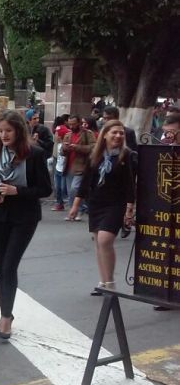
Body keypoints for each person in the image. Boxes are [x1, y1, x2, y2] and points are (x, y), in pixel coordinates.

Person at [0, 111, 53, 340]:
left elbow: (45, 189)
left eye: (8, 131)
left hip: (25, 216)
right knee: (0, 264)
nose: (4, 135)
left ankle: (6, 317)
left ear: (18, 131)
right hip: (1, 214)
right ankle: (5, 313)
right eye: (1, 131)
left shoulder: (34, 154)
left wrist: (18, 191)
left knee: (9, 266)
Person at [67, 120, 135, 295]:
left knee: (105, 240)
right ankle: (103, 281)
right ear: (105, 134)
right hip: (96, 203)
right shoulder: (95, 155)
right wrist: (75, 204)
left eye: (121, 133)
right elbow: (86, 181)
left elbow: (129, 184)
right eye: (114, 132)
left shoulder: (126, 155)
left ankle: (111, 283)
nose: (118, 136)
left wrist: (129, 209)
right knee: (99, 243)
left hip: (115, 204)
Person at [61, 114, 96, 218]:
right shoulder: (68, 134)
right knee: (69, 191)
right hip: (69, 166)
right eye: (70, 124)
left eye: (74, 124)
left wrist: (77, 147)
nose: (71, 126)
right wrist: (64, 148)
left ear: (79, 123)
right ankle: (72, 212)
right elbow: (62, 151)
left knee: (74, 189)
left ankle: (79, 210)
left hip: (81, 166)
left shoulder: (87, 133)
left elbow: (94, 147)